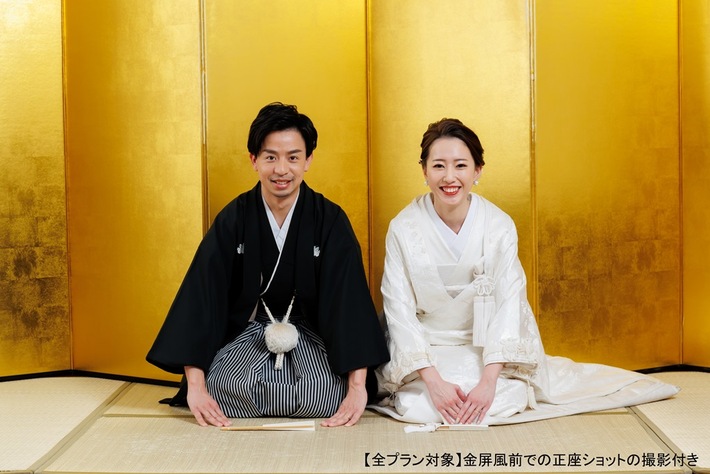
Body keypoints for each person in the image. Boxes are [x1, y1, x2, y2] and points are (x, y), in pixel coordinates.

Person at [373, 118, 678, 426]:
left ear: (477, 170)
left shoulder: (498, 225)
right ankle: (437, 391)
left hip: (484, 349)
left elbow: (509, 305)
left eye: (461, 165)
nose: (449, 177)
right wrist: (434, 382)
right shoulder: (403, 228)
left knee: (504, 397)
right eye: (439, 166)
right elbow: (399, 310)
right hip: (428, 350)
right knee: (421, 405)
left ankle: (485, 390)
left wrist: (489, 381)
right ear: (424, 171)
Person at [147, 102, 389, 428]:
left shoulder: (329, 219)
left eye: (293, 158)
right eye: (270, 157)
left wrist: (357, 388)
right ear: (254, 160)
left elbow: (350, 303)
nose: (281, 170)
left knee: (325, 393)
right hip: (251, 333)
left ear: (308, 160)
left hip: (309, 335)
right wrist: (196, 386)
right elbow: (202, 297)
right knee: (222, 387)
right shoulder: (235, 218)